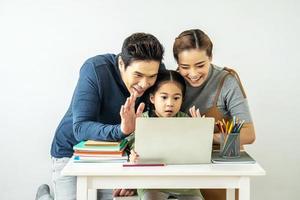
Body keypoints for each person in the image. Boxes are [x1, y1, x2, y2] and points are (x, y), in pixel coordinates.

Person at [35, 32, 165, 200]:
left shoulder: (158, 72)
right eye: (138, 75)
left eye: (151, 76)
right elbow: (80, 128)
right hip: (72, 150)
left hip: (118, 153)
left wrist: (136, 176)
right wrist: (121, 130)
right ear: (121, 63)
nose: (144, 84)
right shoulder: (95, 69)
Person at [173, 29, 256, 200]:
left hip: (219, 169)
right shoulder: (170, 82)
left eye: (200, 65)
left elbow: (249, 134)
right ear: (177, 63)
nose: (193, 74)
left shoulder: (227, 81)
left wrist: (206, 135)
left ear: (210, 57)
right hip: (179, 166)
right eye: (185, 67)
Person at [126, 70, 204, 200]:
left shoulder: (187, 122)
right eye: (164, 97)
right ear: (152, 98)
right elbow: (131, 147)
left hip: (186, 185)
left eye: (176, 98)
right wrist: (133, 157)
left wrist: (200, 131)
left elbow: (198, 154)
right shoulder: (141, 120)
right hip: (152, 184)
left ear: (183, 99)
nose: (170, 103)